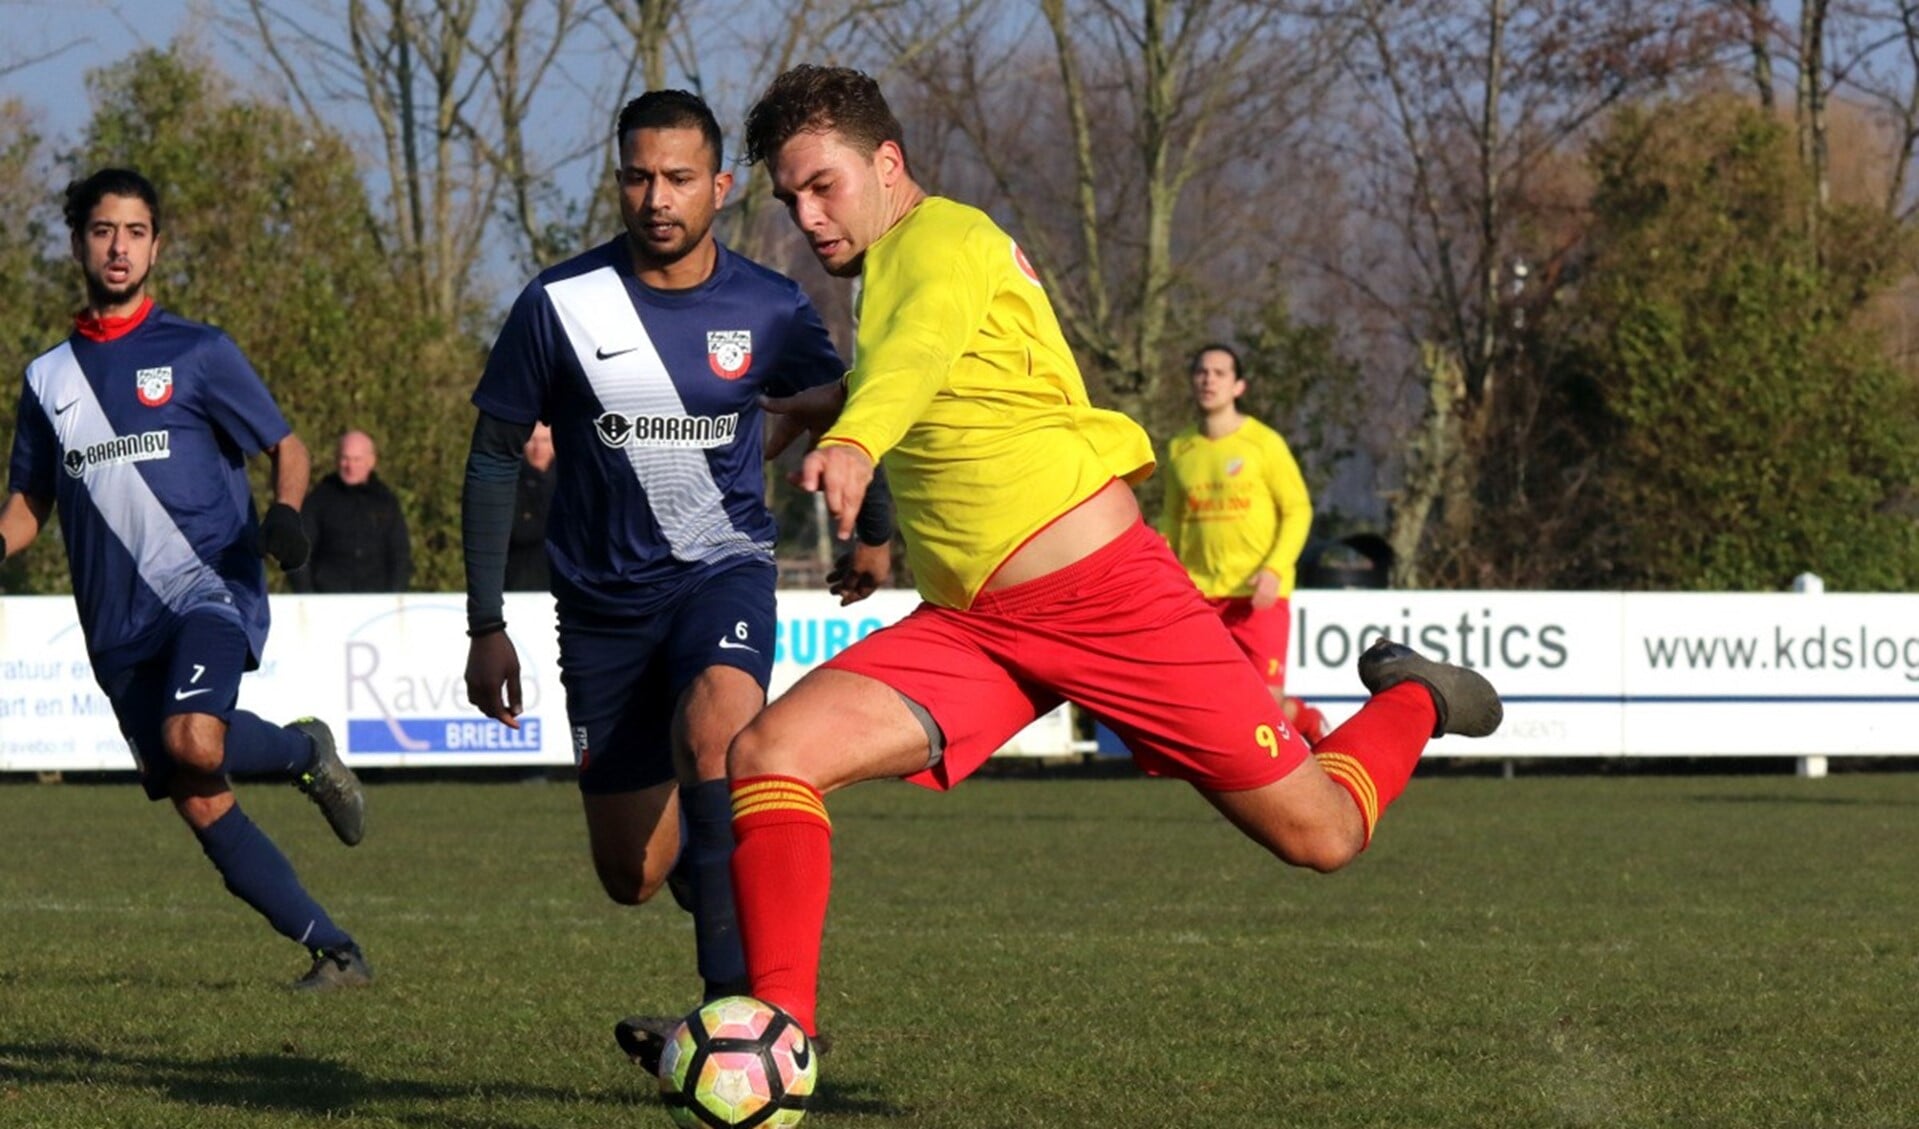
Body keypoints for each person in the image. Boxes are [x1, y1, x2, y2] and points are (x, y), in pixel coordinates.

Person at [720, 64, 1504, 1047]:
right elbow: (943, 368)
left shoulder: (939, 239)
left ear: (886, 163)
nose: (807, 215)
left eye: (821, 185)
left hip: (1105, 601)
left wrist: (854, 438)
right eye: (789, 198)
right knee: (771, 752)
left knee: (1323, 835)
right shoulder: (905, 268)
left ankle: (1411, 697)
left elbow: (917, 353)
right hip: (974, 629)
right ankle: (777, 1035)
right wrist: (828, 406)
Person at [459, 90, 893, 1067]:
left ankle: (731, 1020)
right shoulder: (557, 304)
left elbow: (847, 406)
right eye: (638, 176)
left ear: (720, 188)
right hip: (600, 606)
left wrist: (873, 528)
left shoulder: (768, 306)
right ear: (619, 181)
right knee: (631, 872)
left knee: (717, 734)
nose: (657, 197)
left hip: (720, 573)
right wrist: (486, 622)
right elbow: (491, 458)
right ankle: (724, 876)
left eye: (679, 178)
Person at [0, 168, 372, 990]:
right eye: (103, 230)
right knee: (198, 794)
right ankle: (335, 948)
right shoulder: (47, 381)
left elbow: (288, 444)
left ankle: (305, 751)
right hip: (116, 626)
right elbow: (26, 502)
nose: (118, 246)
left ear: (156, 244)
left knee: (193, 738)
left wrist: (287, 510)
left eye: (135, 231)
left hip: (207, 588)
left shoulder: (197, 351)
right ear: (77, 244)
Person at [1159, 343, 1330, 744]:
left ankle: (1303, 719)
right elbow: (1173, 519)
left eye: (1219, 373)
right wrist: (1164, 570)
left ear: (1239, 386)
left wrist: (1274, 570)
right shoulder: (1180, 448)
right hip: (1201, 594)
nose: (1208, 379)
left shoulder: (1264, 443)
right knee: (1210, 704)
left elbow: (1298, 510)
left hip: (1258, 595)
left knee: (1265, 708)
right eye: (1201, 372)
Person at [288, 429, 412, 593]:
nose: (350, 466)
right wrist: (307, 597)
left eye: (357, 459)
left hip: (377, 601)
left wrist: (395, 596)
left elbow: (400, 553)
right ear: (337, 460)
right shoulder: (319, 500)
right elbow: (299, 553)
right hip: (328, 599)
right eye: (345, 458)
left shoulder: (385, 500)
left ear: (371, 461)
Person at [505, 421, 557, 591]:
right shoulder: (510, 481)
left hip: (563, 582)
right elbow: (516, 531)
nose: (538, 447)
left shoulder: (570, 480)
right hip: (520, 582)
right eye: (532, 440)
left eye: (544, 440)